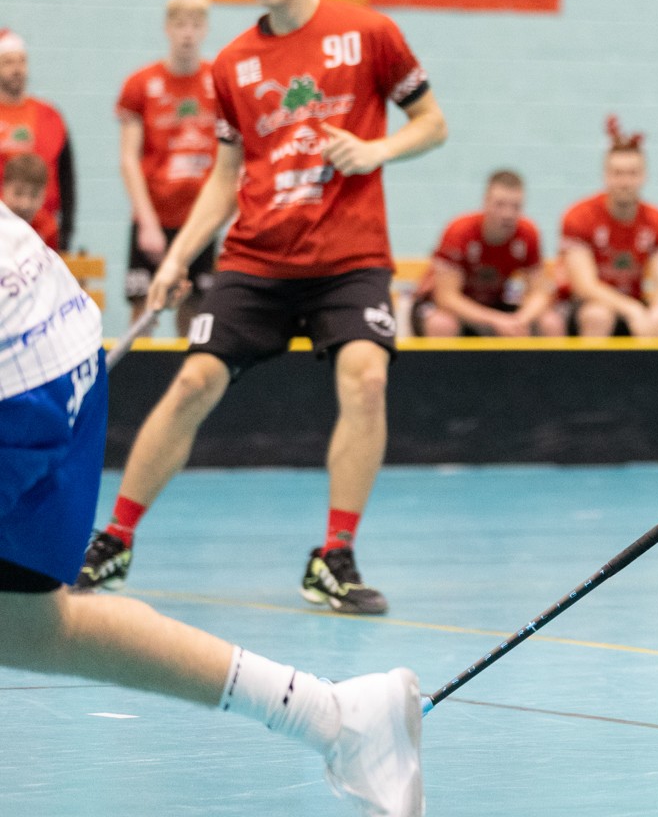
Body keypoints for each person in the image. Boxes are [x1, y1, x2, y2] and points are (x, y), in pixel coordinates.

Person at [75, 0, 448, 616]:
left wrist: (377, 149)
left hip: (349, 257)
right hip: (257, 260)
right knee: (193, 381)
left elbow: (432, 123)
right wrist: (178, 258)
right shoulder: (233, 65)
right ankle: (114, 539)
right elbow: (225, 178)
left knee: (367, 379)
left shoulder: (369, 35)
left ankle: (334, 557)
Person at [0, 204, 424, 816]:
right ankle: (334, 717)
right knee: (24, 623)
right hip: (52, 326)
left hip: (19, 366)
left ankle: (335, 576)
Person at [118, 0, 220, 336]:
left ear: (205, 29)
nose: (187, 33)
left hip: (199, 221)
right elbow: (129, 159)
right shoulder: (141, 85)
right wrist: (147, 222)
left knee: (195, 313)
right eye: (180, 25)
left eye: (195, 25)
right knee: (144, 311)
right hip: (155, 218)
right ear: (167, 28)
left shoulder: (217, 83)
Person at [558, 117, 658, 338]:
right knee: (598, 316)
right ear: (606, 176)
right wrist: (632, 310)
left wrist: (657, 313)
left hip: (635, 302)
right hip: (590, 306)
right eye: (618, 173)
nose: (625, 182)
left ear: (644, 176)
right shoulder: (579, 216)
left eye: (632, 173)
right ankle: (591, 363)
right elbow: (585, 286)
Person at [413, 169, 558, 337]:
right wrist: (496, 320)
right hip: (440, 307)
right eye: (500, 205)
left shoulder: (527, 234)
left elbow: (540, 292)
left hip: (494, 305)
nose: (508, 214)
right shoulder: (460, 231)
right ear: (486, 202)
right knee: (442, 324)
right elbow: (446, 298)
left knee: (550, 322)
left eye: (516, 206)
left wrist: (520, 320)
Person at [0, 28, 74, 250]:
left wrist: (67, 229)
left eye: (21, 61)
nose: (16, 69)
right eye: (8, 62)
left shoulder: (49, 116)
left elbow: (66, 176)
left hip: (43, 231)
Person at [2, 152, 49, 227]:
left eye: (34, 195)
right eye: (18, 193)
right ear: (4, 188)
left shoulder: (47, 228)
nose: (25, 205)